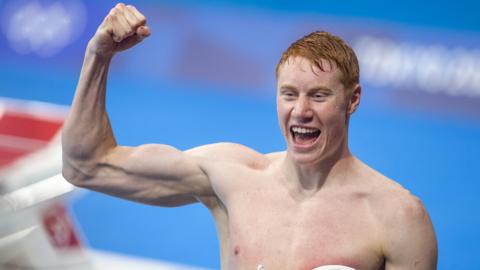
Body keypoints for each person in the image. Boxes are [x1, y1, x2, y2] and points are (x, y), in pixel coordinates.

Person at [62, 3, 438, 270]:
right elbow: (86, 166)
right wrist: (99, 55)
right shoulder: (231, 177)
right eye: (289, 94)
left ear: (352, 100)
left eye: (319, 95)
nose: (301, 110)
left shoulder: (398, 218)